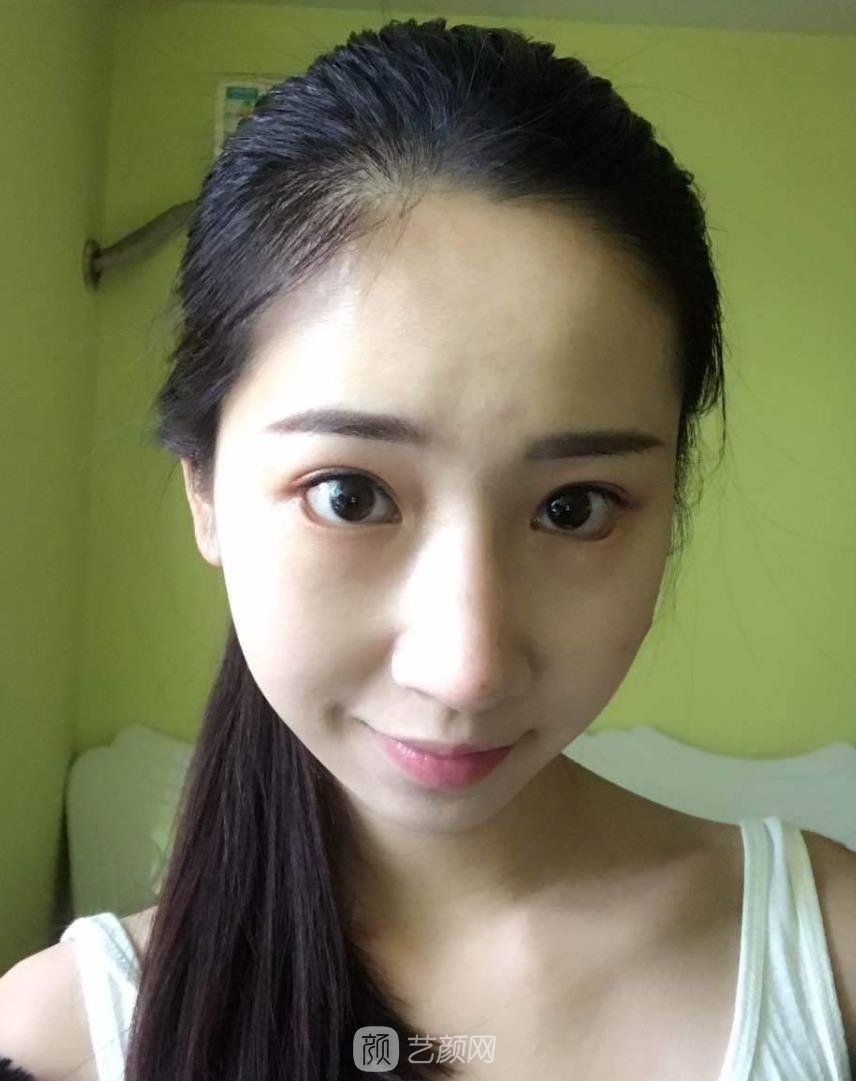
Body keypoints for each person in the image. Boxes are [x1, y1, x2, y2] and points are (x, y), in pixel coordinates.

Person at [1, 16, 854, 1081]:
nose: (467, 668)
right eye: (350, 495)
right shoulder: (61, 1042)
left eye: (575, 507)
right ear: (205, 490)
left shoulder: (830, 961)